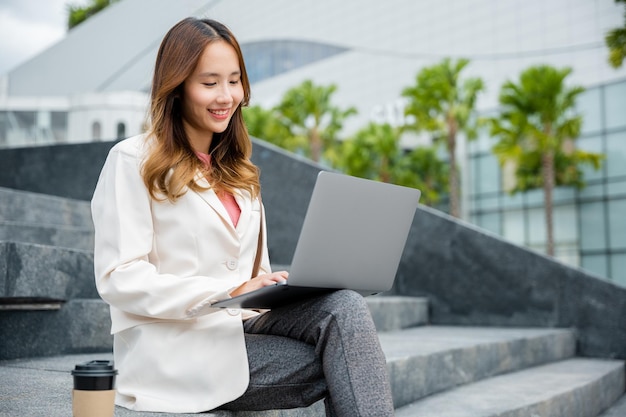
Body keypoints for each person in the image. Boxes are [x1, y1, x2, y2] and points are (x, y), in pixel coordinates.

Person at [91, 17, 394, 416]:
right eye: (209, 82)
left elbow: (251, 275)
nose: (226, 95)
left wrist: (275, 287)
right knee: (348, 361)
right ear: (177, 86)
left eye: (234, 80)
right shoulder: (133, 160)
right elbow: (119, 277)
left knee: (346, 307)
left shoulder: (240, 173)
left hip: (238, 326)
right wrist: (225, 293)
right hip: (174, 347)